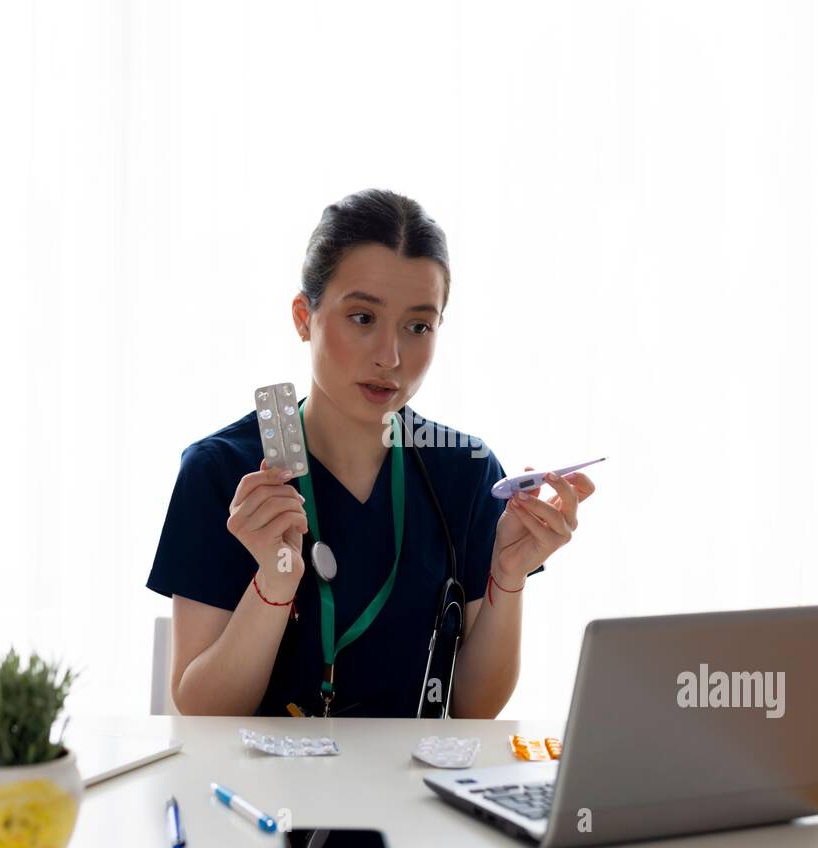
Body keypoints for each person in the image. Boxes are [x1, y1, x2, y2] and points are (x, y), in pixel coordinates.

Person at [147, 188, 596, 717]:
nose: (391, 356)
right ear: (302, 317)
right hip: (262, 792)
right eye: (363, 318)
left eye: (418, 326)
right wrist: (273, 581)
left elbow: (476, 710)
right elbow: (204, 712)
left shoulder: (468, 473)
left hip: (408, 794)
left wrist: (508, 576)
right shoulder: (222, 472)